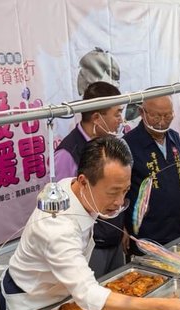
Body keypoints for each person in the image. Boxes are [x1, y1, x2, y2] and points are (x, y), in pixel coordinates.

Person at [0, 136, 180, 310]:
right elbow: (88, 294)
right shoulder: (57, 228)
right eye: (113, 192)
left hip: (62, 293)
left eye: (125, 191)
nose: (120, 202)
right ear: (84, 181)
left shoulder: (75, 189)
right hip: (31, 300)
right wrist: (160, 307)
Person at [54, 81, 127, 278]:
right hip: (88, 247)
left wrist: (123, 227)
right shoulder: (67, 153)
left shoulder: (111, 145)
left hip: (114, 238)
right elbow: (63, 210)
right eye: (117, 113)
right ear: (96, 117)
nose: (121, 119)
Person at [123, 95, 180, 254]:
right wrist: (123, 227)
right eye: (156, 116)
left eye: (167, 116)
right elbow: (121, 190)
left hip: (177, 224)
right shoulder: (128, 143)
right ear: (142, 112)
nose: (162, 121)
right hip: (146, 229)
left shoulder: (175, 137)